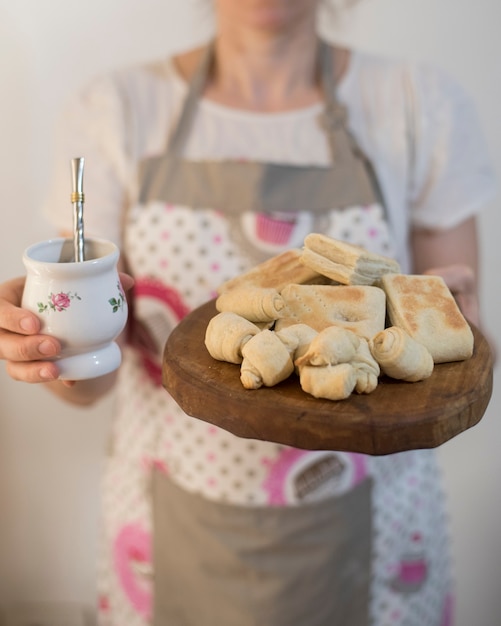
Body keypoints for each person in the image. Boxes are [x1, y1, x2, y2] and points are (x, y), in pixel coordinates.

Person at [0, 0, 496, 624]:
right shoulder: (116, 109)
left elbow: (453, 346)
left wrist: (465, 331)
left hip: (377, 525)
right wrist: (59, 337)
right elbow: (90, 383)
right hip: (169, 522)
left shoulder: (419, 104)